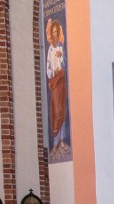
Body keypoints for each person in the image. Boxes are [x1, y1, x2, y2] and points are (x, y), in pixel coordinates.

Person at [45, 18, 69, 158]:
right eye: (53, 32)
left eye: (56, 32)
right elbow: (48, 66)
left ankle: (62, 141)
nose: (54, 35)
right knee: (56, 112)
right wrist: (53, 72)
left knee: (63, 112)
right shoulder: (50, 49)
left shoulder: (60, 46)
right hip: (55, 82)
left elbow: (64, 63)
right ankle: (55, 143)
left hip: (61, 81)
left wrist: (62, 59)